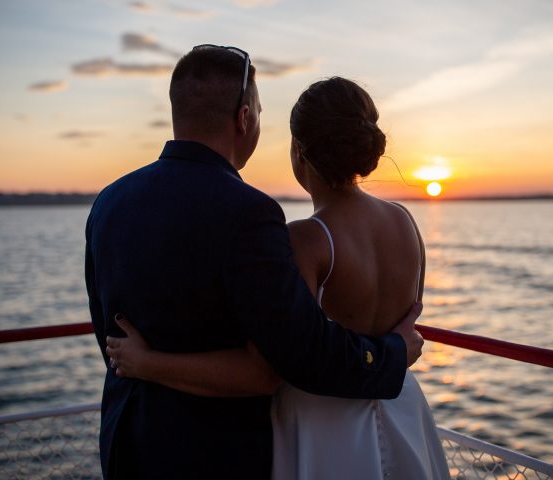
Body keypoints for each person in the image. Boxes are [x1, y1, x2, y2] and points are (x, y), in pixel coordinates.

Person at [85, 45, 424, 479]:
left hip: (128, 443)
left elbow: (109, 339)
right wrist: (393, 353)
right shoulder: (250, 212)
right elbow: (286, 359)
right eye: (260, 113)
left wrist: (146, 363)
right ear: (244, 118)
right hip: (221, 456)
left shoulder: (109, 204)